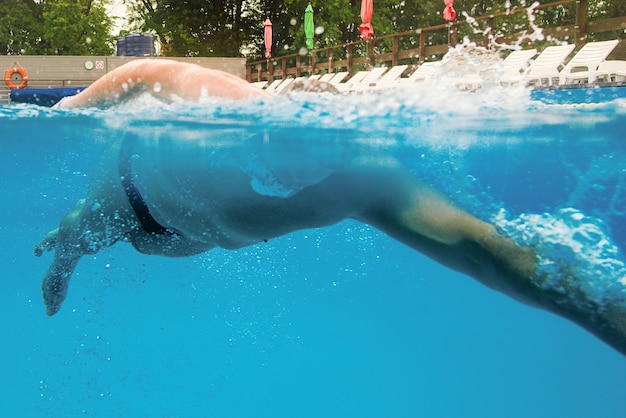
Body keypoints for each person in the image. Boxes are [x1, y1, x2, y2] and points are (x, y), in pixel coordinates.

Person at [38, 59, 626, 356]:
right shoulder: (217, 100)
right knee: (79, 233)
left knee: (150, 238)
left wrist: (602, 309)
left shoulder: (359, 182)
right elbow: (144, 71)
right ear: (260, 122)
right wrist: (75, 107)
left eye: (302, 173)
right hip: (126, 192)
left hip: (191, 238)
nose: (281, 182)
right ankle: (60, 256)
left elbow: (476, 247)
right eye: (271, 157)